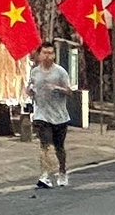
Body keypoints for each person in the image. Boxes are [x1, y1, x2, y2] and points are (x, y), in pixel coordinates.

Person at [23, 40, 78, 188]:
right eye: (45, 53)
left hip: (59, 115)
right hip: (42, 114)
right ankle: (45, 175)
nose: (48, 56)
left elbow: (70, 91)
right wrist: (29, 91)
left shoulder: (60, 72)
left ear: (54, 55)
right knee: (45, 144)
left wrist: (57, 88)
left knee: (59, 147)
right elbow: (31, 87)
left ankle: (62, 171)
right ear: (39, 55)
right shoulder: (35, 72)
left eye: (51, 53)